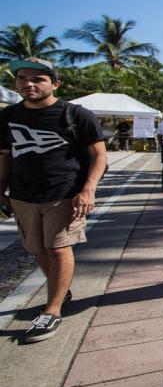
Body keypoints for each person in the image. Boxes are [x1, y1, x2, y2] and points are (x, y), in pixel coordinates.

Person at [0, 58, 107, 343]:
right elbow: (5, 158)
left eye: (38, 79)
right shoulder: (8, 117)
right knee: (39, 250)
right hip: (23, 195)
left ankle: (52, 309)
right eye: (23, 78)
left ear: (55, 83)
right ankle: (61, 290)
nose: (29, 84)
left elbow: (99, 155)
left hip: (65, 193)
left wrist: (88, 189)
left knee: (58, 248)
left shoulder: (75, 115)